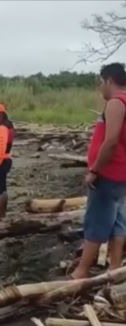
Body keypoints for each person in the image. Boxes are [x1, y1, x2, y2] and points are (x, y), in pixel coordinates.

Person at [71, 63, 126, 279]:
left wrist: (95, 170)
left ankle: (81, 271)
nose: (100, 88)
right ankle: (114, 267)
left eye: (101, 83)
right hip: (121, 172)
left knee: (96, 220)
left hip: (109, 173)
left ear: (108, 80)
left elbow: (110, 141)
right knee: (118, 218)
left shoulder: (115, 103)